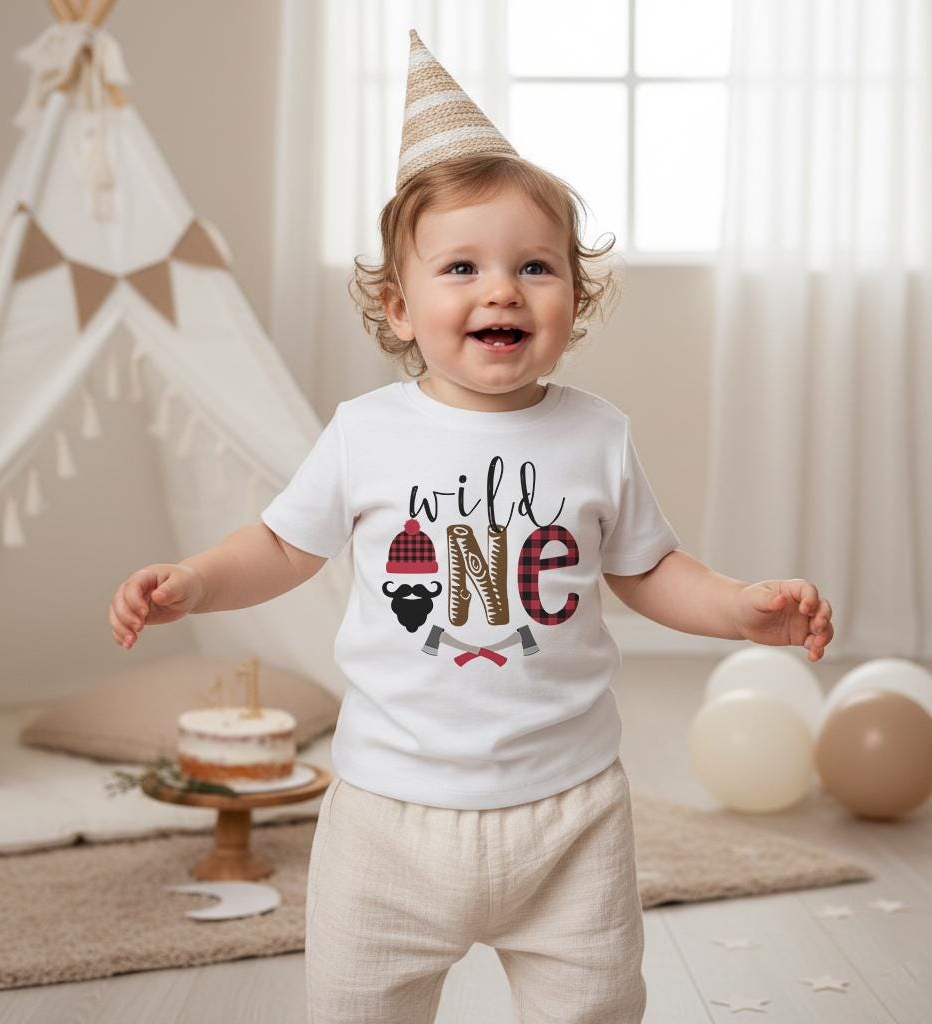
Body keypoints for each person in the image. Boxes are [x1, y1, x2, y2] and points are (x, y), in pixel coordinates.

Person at [108, 30, 834, 1024]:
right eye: (462, 267)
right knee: (358, 1004)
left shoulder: (595, 434)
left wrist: (739, 607)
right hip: (388, 814)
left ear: (572, 301)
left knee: (594, 1003)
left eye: (535, 265)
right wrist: (194, 579)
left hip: (567, 809)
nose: (501, 288)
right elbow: (282, 543)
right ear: (399, 306)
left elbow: (649, 565)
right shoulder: (365, 434)